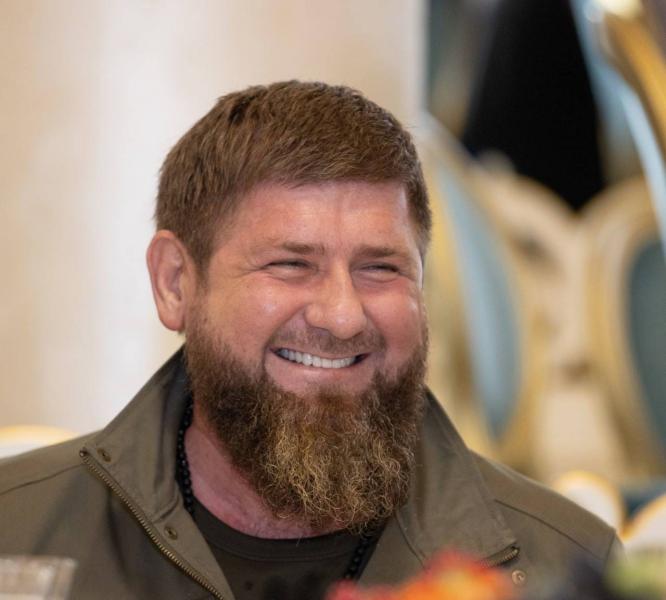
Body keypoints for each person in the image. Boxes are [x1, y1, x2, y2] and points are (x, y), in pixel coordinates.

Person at [0, 81, 618, 600]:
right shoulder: (16, 534)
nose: (343, 317)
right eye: (291, 264)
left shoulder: (565, 565)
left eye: (381, 268)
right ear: (175, 282)